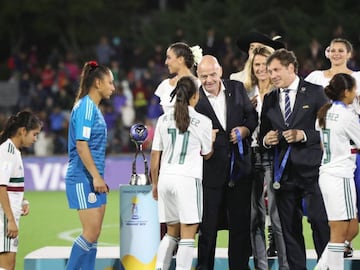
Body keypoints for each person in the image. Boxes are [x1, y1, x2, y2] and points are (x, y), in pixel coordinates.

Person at [259, 48, 330, 270]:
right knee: (289, 229)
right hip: (283, 173)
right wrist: (266, 139)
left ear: (291, 68)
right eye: (270, 71)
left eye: (276, 70)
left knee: (319, 222)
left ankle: (326, 266)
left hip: (313, 170)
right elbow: (263, 132)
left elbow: (331, 131)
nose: (272, 75)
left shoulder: (317, 92)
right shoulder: (270, 98)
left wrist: (305, 135)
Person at [195, 55, 258, 270]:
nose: (209, 80)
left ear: (220, 71)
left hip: (239, 170)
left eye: (212, 74)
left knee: (240, 226)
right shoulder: (194, 100)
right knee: (208, 227)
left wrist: (245, 129)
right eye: (204, 76)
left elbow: (252, 117)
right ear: (197, 76)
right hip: (210, 172)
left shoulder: (237, 88)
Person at [150, 76, 216, 270]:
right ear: (195, 96)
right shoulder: (203, 121)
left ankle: (159, 268)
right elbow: (207, 153)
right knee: (188, 234)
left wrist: (155, 184)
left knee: (171, 232)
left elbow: (155, 157)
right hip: (188, 179)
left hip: (166, 179)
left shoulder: (163, 120)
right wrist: (210, 139)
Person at [306, 38, 360, 257]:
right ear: (326, 53)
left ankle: (336, 250)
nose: (337, 54)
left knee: (348, 214)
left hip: (344, 156)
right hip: (334, 157)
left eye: (341, 50)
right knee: (339, 214)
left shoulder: (357, 79)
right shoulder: (315, 78)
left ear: (349, 54)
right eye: (333, 50)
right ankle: (333, 251)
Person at [65, 60, 115, 270]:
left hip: (94, 180)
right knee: (91, 233)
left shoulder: (92, 108)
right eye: (110, 82)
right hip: (82, 178)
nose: (113, 87)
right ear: (97, 83)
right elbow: (81, 144)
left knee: (95, 236)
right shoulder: (86, 107)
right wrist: (96, 176)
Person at [245, 45, 289, 270]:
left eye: (265, 65)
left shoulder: (279, 93)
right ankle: (261, 266)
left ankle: (284, 266)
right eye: (257, 65)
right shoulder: (245, 91)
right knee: (254, 218)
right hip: (249, 156)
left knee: (277, 216)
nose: (261, 69)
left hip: (272, 157)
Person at [315, 73, 360, 270]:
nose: (356, 93)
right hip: (339, 175)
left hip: (331, 173)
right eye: (354, 89)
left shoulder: (325, 112)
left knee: (351, 228)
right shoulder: (347, 116)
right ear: (346, 92)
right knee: (339, 232)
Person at [0, 111, 42, 270]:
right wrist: (10, 220)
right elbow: (1, 187)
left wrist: (22, 201)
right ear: (23, 131)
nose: (35, 139)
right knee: (6, 267)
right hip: (4, 219)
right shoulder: (8, 152)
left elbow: (10, 185)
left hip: (8, 216)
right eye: (34, 134)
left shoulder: (14, 152)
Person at [155, 42, 202, 113]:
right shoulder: (164, 85)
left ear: (180, 59)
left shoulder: (199, 85)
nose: (166, 62)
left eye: (169, 58)